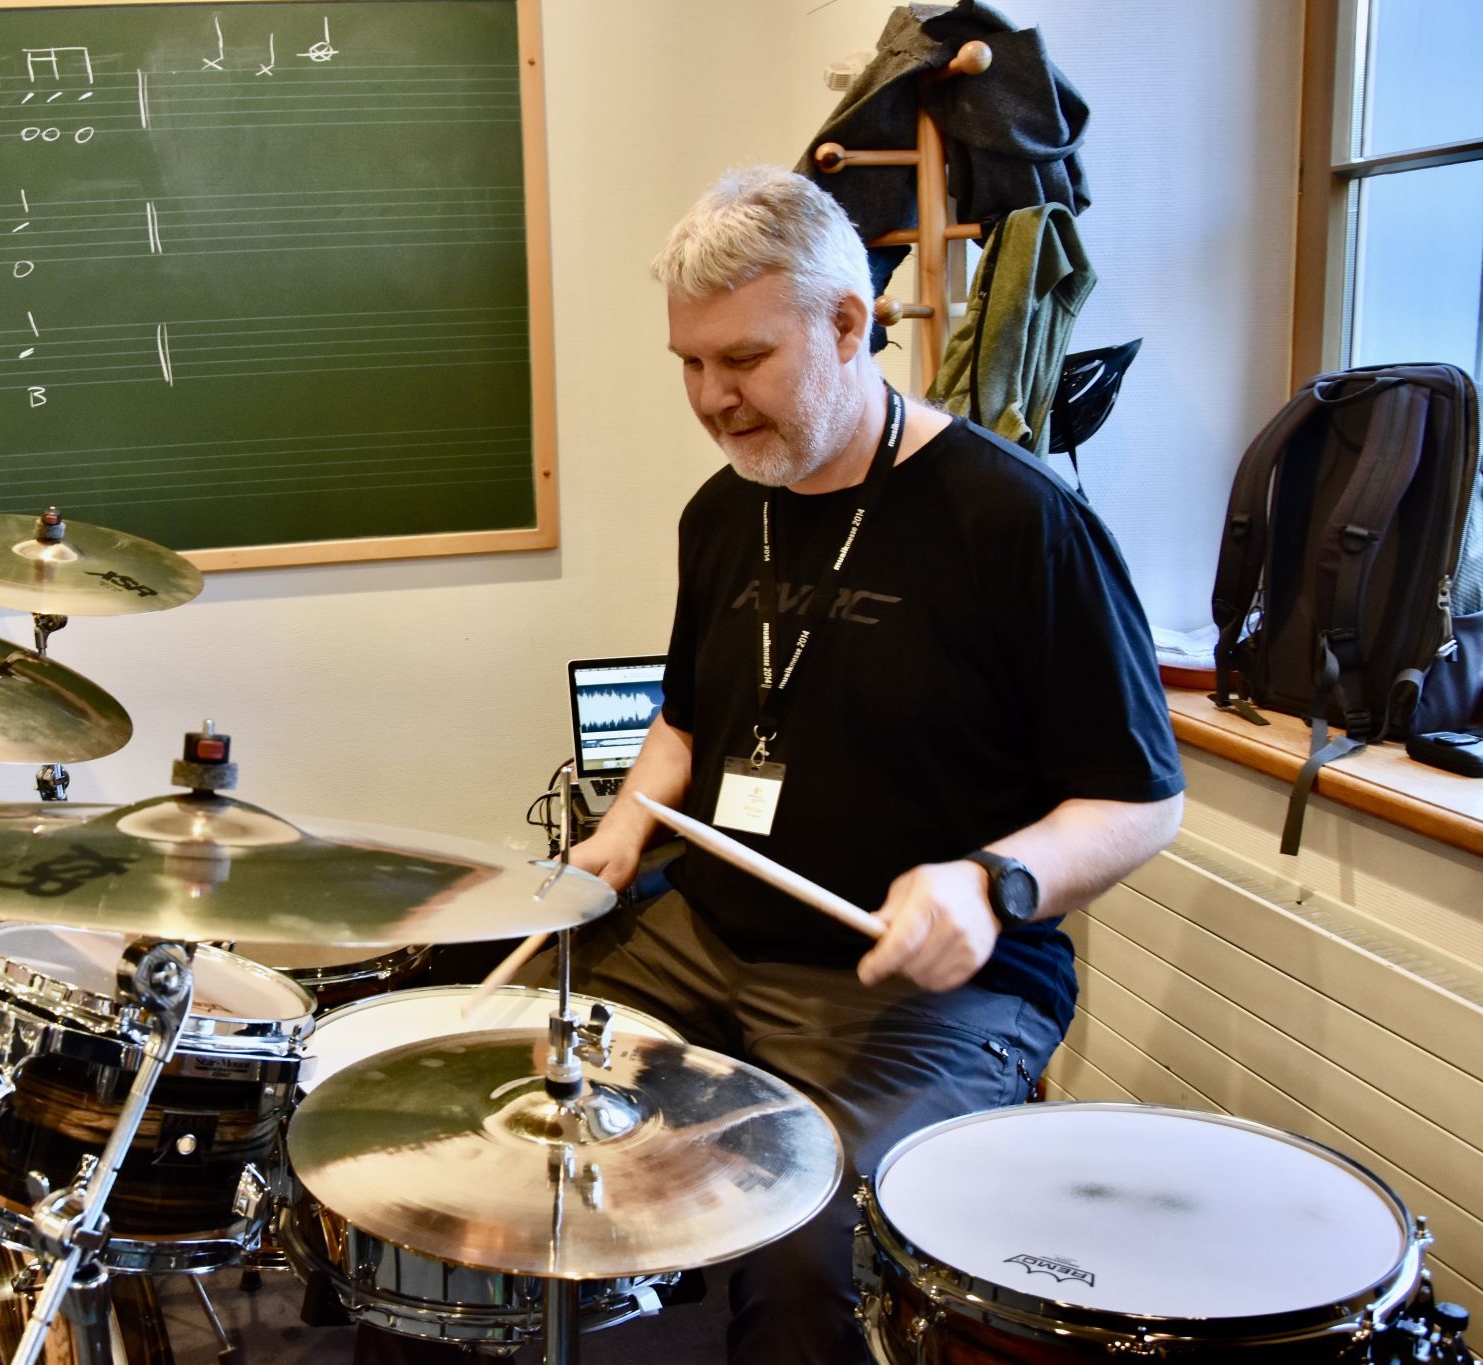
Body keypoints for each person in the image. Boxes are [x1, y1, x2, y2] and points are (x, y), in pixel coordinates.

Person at [345, 165, 1183, 1364]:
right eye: (687, 364)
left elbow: (1138, 803)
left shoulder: (1015, 522)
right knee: (466, 1138)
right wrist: (625, 833)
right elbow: (688, 725)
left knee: (811, 1261)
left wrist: (985, 884)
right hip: (705, 936)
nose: (710, 399)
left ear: (848, 324)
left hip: (914, 994)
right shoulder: (725, 509)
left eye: (740, 360)